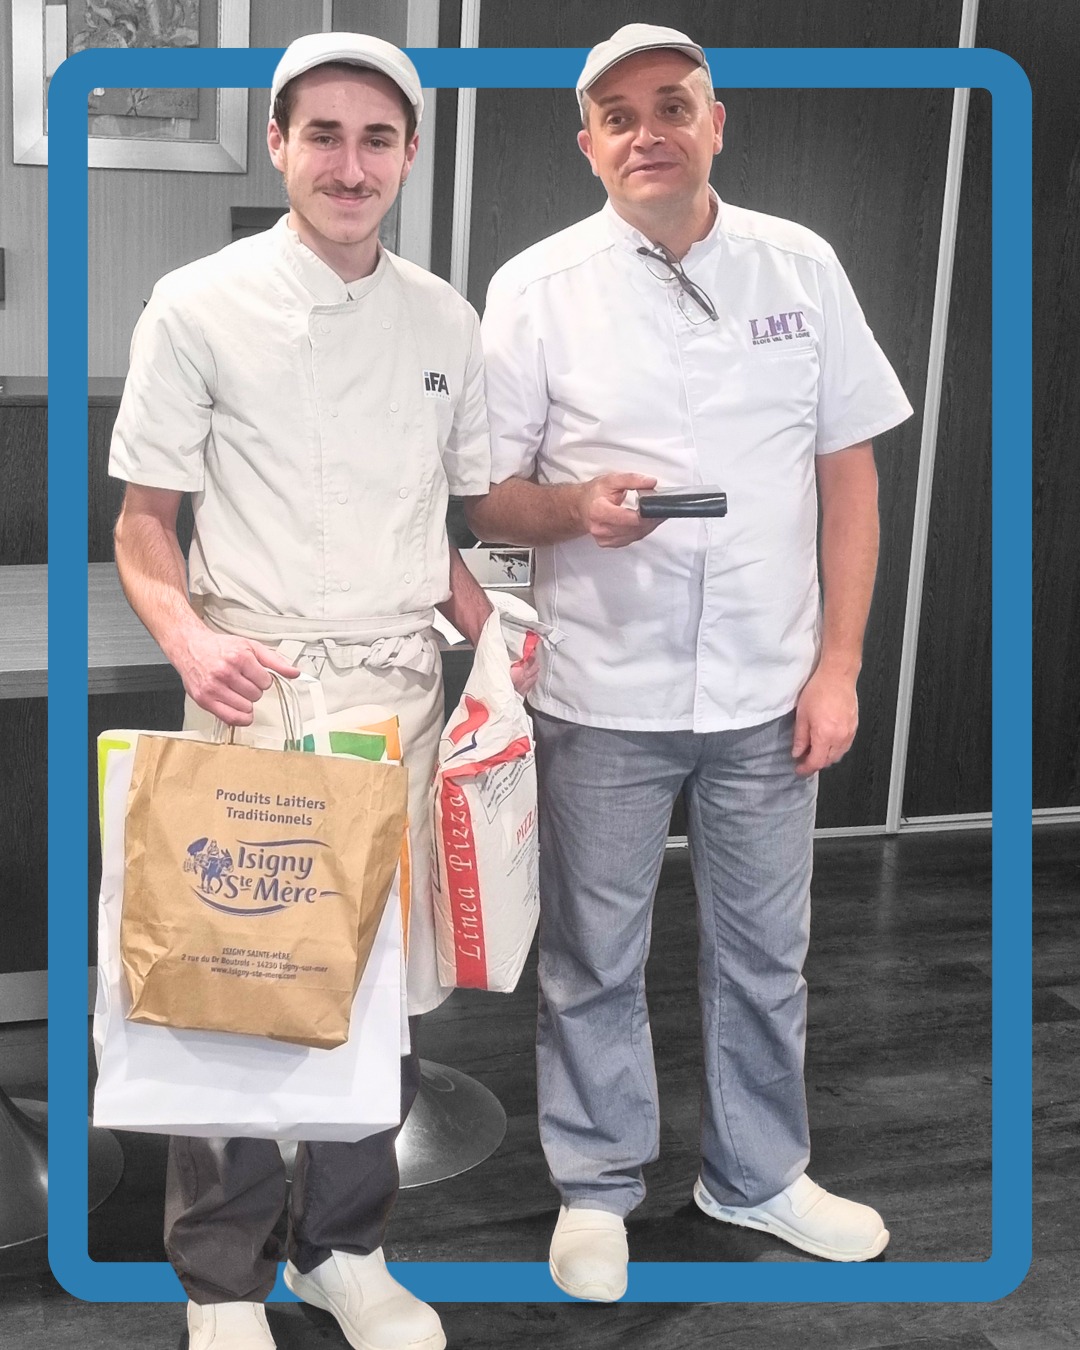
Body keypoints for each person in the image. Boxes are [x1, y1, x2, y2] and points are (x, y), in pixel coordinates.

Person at [466, 23, 914, 1301]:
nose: (647, 132)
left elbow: (849, 477)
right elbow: (489, 497)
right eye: (619, 116)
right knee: (592, 958)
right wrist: (576, 510)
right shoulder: (536, 286)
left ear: (717, 123)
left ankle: (758, 1173)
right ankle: (597, 1186)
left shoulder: (801, 266)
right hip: (602, 690)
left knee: (767, 953)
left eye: (673, 106)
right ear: (588, 144)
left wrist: (839, 666)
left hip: (770, 689)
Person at [110, 32, 515, 1350]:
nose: (351, 165)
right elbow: (144, 524)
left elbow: (436, 521)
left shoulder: (446, 319)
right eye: (324, 135)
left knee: (374, 993)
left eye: (377, 139)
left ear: (408, 155)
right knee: (230, 984)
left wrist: (495, 633)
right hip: (254, 690)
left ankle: (346, 1248)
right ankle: (224, 1279)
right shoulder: (197, 304)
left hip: (394, 696)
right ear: (279, 146)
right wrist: (189, 641)